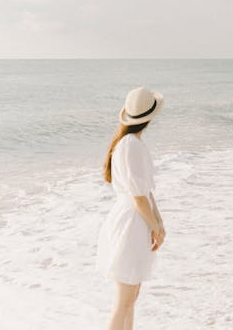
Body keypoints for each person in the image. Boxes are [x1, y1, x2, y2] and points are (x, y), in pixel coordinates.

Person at [96, 86, 166, 330]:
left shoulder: (132, 143)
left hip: (136, 219)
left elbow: (146, 192)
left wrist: (159, 224)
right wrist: (155, 226)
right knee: (124, 301)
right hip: (131, 222)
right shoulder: (131, 145)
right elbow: (138, 196)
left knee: (131, 298)